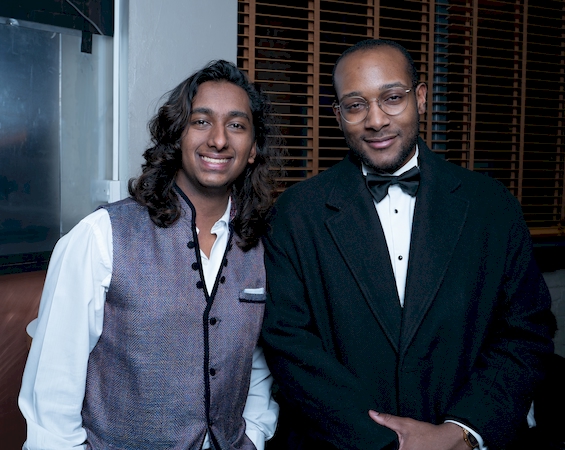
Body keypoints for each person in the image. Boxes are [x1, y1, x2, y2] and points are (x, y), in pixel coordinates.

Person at [261, 39, 555, 450]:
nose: (375, 120)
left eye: (392, 98)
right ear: (339, 116)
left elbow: (526, 333)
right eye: (356, 105)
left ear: (420, 98)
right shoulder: (295, 213)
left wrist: (460, 433)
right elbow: (289, 346)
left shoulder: (492, 205)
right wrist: (384, 441)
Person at [19, 59, 280, 450]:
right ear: (177, 136)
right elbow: (52, 396)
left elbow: (258, 364)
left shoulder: (262, 245)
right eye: (201, 121)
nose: (219, 140)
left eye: (237, 125)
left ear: (254, 148)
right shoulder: (101, 235)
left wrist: (254, 435)